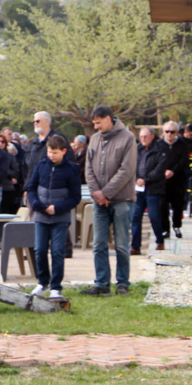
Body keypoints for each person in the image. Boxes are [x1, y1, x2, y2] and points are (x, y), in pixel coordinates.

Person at [83, 106, 137, 297]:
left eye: (98, 123)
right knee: (98, 244)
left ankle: (122, 283)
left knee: (121, 244)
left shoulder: (128, 138)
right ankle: (102, 283)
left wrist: (106, 193)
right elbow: (88, 167)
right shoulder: (95, 139)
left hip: (122, 200)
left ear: (108, 119)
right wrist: (96, 193)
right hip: (99, 201)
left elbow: (127, 170)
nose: (96, 127)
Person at [25, 135, 81, 300]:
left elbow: (75, 197)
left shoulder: (72, 170)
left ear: (63, 151)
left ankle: (56, 286)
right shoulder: (41, 166)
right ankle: (43, 282)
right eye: (50, 152)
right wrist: (36, 204)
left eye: (55, 152)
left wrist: (57, 208)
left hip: (60, 218)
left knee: (57, 251)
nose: (51, 155)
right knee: (40, 250)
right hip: (41, 216)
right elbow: (32, 188)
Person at [130, 127, 168, 255]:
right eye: (141, 136)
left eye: (145, 136)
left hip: (153, 188)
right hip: (139, 189)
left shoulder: (160, 149)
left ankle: (159, 240)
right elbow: (130, 166)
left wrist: (146, 179)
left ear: (152, 136)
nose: (143, 139)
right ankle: (135, 246)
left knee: (153, 215)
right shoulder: (136, 149)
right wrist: (136, 179)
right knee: (135, 216)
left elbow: (160, 169)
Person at [159, 122, 189, 240]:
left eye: (172, 132)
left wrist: (173, 171)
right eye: (167, 131)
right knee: (162, 206)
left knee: (177, 205)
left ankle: (177, 226)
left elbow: (184, 161)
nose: (169, 134)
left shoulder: (182, 144)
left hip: (177, 180)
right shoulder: (159, 145)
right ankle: (165, 229)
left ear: (176, 132)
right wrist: (163, 171)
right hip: (162, 181)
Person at [0, 134, 22, 213]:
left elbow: (16, 172)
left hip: (7, 188)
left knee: (6, 212)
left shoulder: (10, 156)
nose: (0, 143)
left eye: (3, 141)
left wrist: (5, 170)